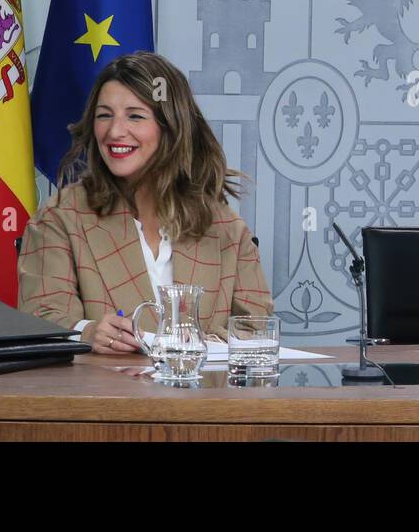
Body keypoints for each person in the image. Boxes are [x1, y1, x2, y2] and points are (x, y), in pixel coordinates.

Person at [18, 52, 272, 353]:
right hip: (104, 397)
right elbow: (40, 318)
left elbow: (256, 328)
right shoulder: (59, 217)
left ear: (172, 128)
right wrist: (87, 333)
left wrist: (198, 346)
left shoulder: (227, 229)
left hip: (201, 398)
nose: (114, 132)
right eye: (104, 115)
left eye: (135, 116)